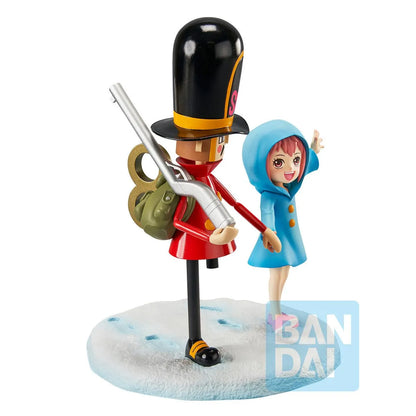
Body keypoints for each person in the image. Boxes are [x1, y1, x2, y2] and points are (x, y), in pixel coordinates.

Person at [242, 120, 324, 328]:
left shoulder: (290, 184)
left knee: (284, 273)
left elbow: (306, 166)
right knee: (276, 275)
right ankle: (275, 314)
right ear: (260, 166)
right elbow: (266, 213)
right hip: (277, 240)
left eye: (296, 159)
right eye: (279, 162)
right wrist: (269, 232)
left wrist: (312, 150)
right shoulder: (268, 195)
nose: (291, 168)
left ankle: (276, 311)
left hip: (287, 239)